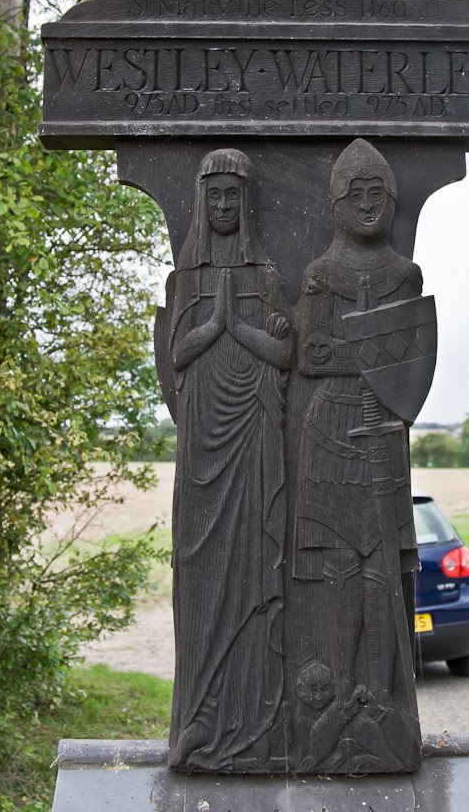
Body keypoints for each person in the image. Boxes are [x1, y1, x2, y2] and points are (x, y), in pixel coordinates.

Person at [294, 138, 420, 763]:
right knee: (339, 566)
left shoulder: (405, 276)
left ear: (391, 200)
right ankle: (338, 692)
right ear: (336, 203)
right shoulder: (321, 274)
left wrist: (376, 365)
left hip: (383, 428)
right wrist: (368, 355)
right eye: (356, 194)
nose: (368, 205)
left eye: (378, 194)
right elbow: (311, 355)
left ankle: (382, 696)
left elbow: (412, 359)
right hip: (330, 428)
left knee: (380, 568)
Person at [167, 148, 293, 772]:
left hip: (255, 442)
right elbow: (176, 358)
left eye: (231, 197)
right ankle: (198, 721)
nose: (222, 206)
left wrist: (233, 326)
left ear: (245, 205)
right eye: (213, 196)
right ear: (202, 201)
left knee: (254, 573)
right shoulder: (186, 278)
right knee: (202, 572)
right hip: (202, 450)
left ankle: (256, 719)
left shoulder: (266, 275)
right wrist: (212, 319)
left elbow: (284, 355)